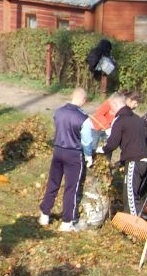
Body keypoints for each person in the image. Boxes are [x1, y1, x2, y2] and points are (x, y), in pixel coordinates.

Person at [38, 87, 88, 231]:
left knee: (53, 183)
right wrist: (89, 155)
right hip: (73, 155)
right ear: (83, 100)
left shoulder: (58, 112)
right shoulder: (83, 118)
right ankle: (67, 221)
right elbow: (86, 141)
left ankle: (45, 214)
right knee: (71, 188)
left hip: (58, 150)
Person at [102, 90, 147, 215]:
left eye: (112, 107)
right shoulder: (137, 119)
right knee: (136, 196)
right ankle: (141, 220)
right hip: (145, 161)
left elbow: (113, 143)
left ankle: (134, 229)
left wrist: (102, 150)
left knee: (130, 198)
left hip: (134, 162)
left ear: (116, 103)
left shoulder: (120, 120)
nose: (111, 110)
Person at [81, 92, 125, 166]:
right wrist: (106, 126)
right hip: (97, 128)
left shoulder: (121, 107)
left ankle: (106, 164)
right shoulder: (108, 103)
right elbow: (99, 114)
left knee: (109, 146)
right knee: (93, 147)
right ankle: (87, 162)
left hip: (109, 130)